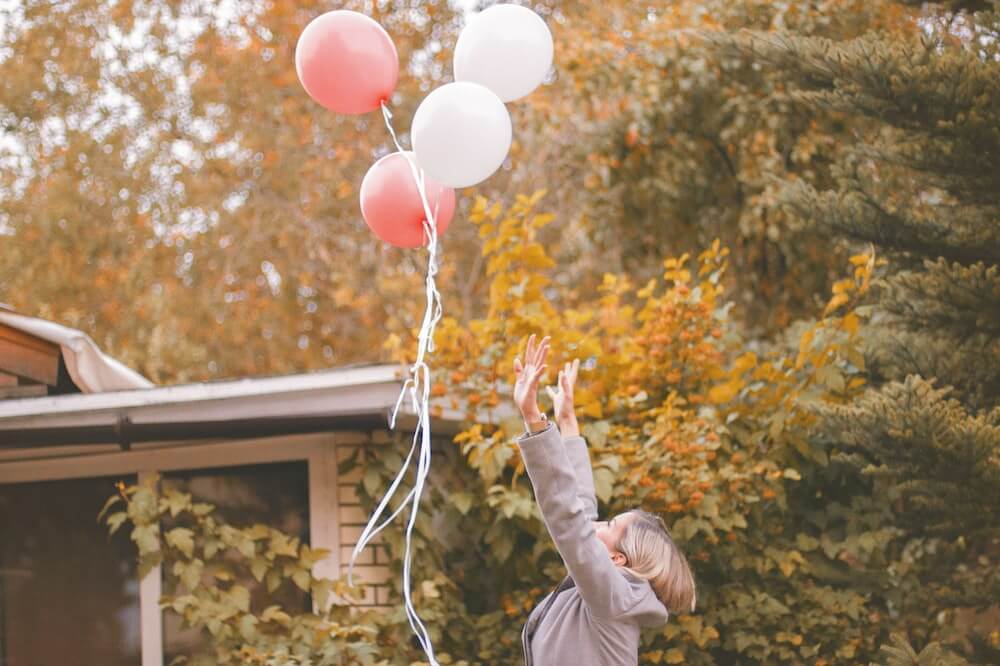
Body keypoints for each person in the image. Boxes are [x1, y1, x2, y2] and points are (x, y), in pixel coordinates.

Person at [513, 334, 697, 665]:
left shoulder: (612, 597)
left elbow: (570, 519)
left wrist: (534, 420)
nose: (593, 526)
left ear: (617, 560)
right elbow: (579, 510)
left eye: (608, 526)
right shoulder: (612, 595)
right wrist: (567, 423)